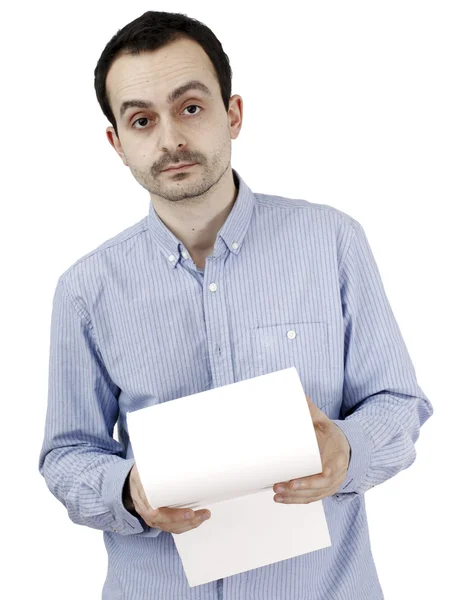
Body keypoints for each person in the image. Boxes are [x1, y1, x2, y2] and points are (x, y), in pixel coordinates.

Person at [38, 10, 433, 600]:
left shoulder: (332, 242)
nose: (170, 138)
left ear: (233, 114)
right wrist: (128, 492)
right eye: (142, 120)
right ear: (117, 144)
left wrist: (346, 451)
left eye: (190, 107)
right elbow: (66, 453)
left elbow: (398, 403)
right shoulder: (85, 290)